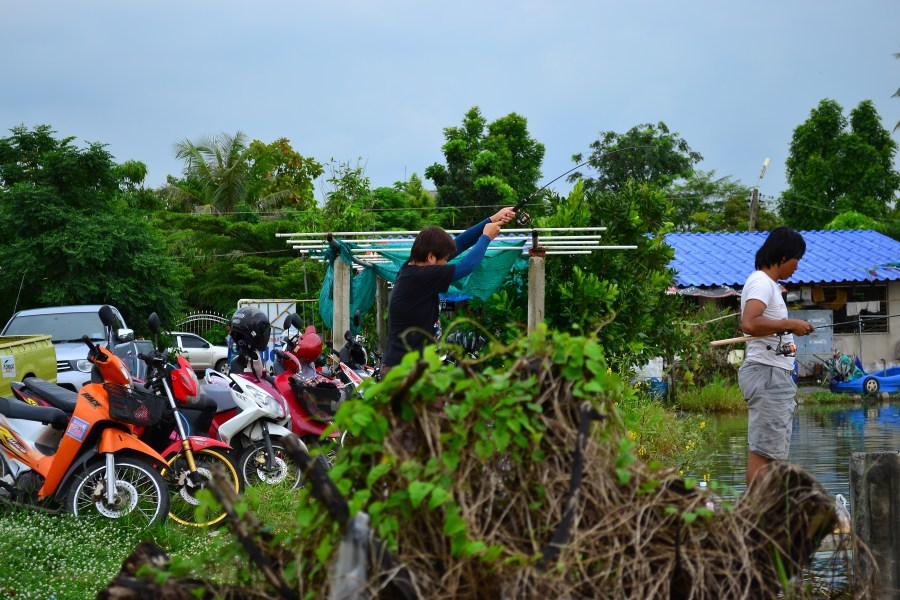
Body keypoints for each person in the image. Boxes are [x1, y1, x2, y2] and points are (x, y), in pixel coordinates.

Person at [382, 207, 516, 370]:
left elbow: (458, 245)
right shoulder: (420, 276)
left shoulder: (411, 269)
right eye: (445, 259)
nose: (447, 263)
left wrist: (492, 219)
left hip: (406, 366)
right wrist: (486, 237)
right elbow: (467, 266)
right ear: (430, 257)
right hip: (403, 371)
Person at [738, 226, 815, 486]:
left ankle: (764, 514)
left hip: (771, 374)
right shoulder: (762, 282)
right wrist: (790, 324)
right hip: (767, 374)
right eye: (797, 259)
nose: (797, 266)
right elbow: (749, 323)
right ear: (784, 256)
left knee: (770, 453)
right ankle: (756, 515)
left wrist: (788, 326)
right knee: (764, 455)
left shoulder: (768, 284)